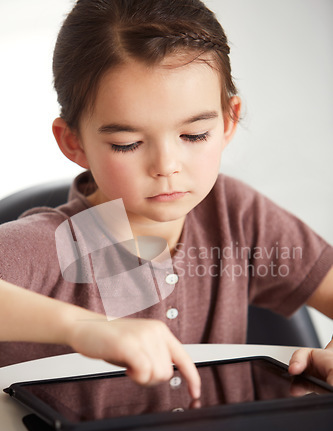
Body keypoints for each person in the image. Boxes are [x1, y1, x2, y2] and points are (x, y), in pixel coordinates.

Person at [0, 0, 332, 399]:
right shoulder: (46, 246)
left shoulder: (236, 215)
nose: (167, 166)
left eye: (193, 136)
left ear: (228, 121)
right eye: (128, 143)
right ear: (74, 143)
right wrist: (82, 327)